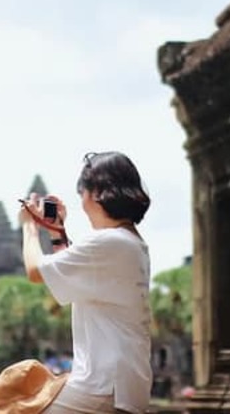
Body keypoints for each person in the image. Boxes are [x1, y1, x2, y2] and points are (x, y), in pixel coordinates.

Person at [19, 151, 152, 414]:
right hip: (124, 385)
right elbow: (77, 278)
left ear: (97, 194)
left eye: (82, 193)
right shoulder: (131, 243)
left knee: (17, 401)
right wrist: (57, 234)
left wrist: (28, 227)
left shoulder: (108, 242)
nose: (81, 202)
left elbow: (35, 271)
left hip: (102, 386)